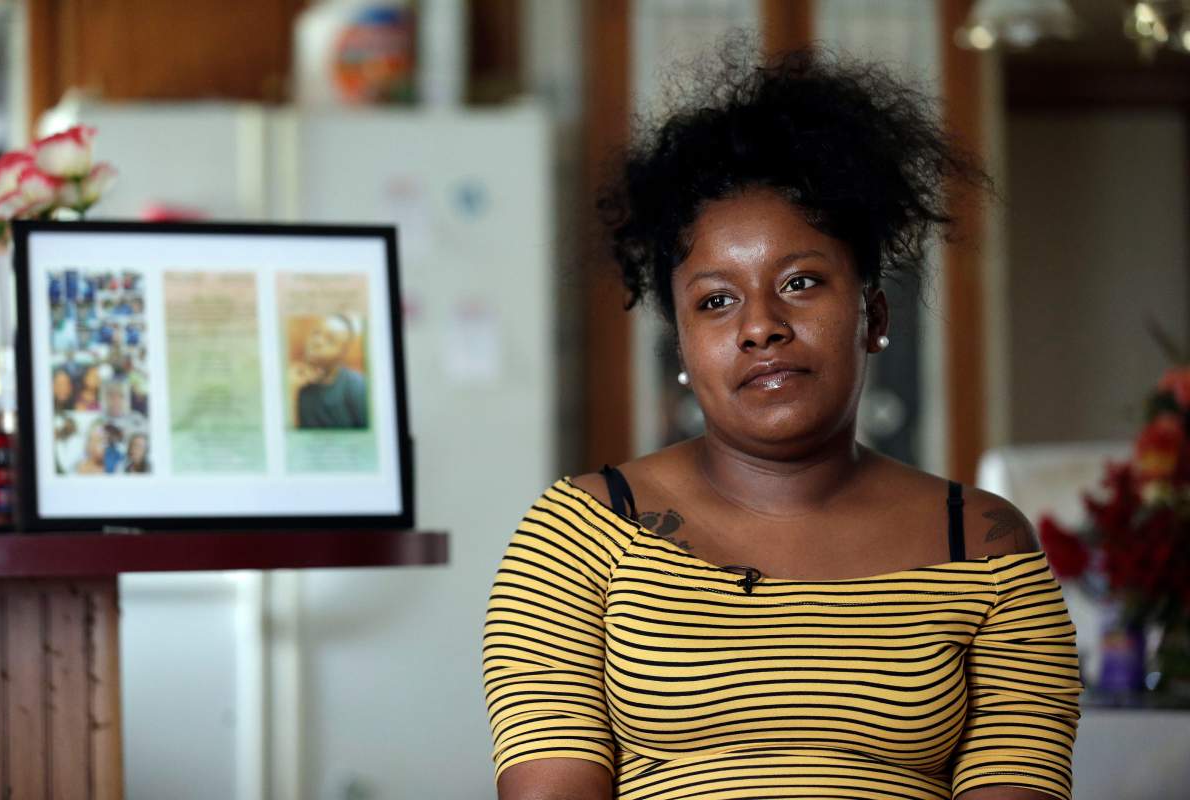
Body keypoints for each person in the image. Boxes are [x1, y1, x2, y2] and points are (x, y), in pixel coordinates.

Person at [483, 46, 1083, 800]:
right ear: (683, 346)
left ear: (873, 314)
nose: (760, 326)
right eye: (715, 300)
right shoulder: (578, 534)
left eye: (801, 282)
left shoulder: (987, 546)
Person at [290, 313, 369, 428]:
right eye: (316, 333)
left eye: (330, 340)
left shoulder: (359, 387)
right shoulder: (292, 380)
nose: (317, 342)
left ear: (342, 354)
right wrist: (291, 391)